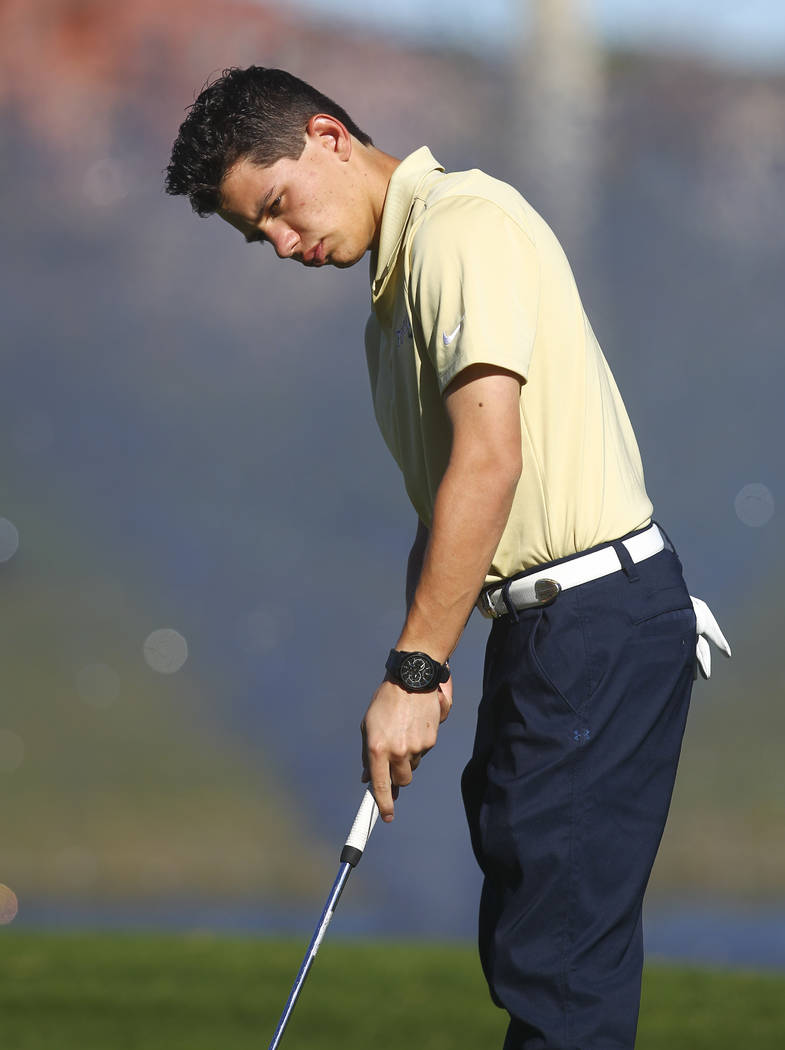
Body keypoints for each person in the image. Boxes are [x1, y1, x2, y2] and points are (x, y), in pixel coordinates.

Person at [165, 66, 730, 1049]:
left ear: (329, 136)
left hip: (593, 616)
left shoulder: (459, 228)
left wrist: (416, 669)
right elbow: (445, 509)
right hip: (551, 628)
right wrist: (416, 671)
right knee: (535, 936)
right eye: (260, 235)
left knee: (559, 966)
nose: (285, 244)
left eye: (280, 207)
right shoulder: (393, 292)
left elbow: (490, 460)